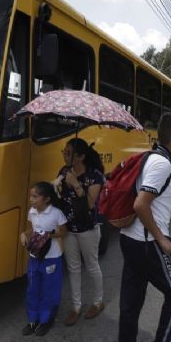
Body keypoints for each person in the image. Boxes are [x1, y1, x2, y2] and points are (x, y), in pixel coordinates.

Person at [118, 113, 171, 342]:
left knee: (130, 306)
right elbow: (140, 204)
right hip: (147, 244)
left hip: (130, 239)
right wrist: (161, 238)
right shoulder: (161, 164)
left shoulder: (149, 157)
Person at [54, 138, 106, 326]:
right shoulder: (64, 171)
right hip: (69, 228)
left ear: (81, 156)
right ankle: (76, 307)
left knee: (92, 266)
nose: (65, 156)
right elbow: (59, 199)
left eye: (69, 153)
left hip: (87, 228)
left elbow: (90, 205)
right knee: (73, 268)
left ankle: (98, 302)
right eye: (64, 152)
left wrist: (76, 184)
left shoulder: (95, 176)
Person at [20, 182, 68, 336]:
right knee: (33, 288)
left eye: (35, 196)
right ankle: (33, 319)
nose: (32, 199)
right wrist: (24, 234)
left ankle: (46, 319)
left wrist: (47, 235)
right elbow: (29, 229)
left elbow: (63, 232)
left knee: (49, 290)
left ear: (46, 199)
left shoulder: (56, 214)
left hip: (51, 257)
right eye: (31, 196)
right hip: (35, 256)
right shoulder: (32, 212)